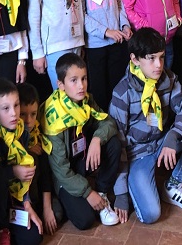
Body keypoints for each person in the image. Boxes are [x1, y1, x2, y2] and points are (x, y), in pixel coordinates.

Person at [110, 27, 182, 224]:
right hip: (138, 153)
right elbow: (117, 142)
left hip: (162, 142)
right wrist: (120, 193)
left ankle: (174, 185)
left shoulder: (168, 79)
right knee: (151, 215)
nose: (158, 65)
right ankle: (141, 183)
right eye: (151, 58)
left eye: (162, 57)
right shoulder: (122, 92)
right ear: (135, 59)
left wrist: (173, 135)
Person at [41, 53, 122, 230]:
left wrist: (97, 139)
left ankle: (102, 191)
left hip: (81, 160)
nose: (81, 86)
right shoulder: (54, 116)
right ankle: (59, 198)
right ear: (61, 85)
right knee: (85, 220)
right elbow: (61, 171)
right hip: (64, 175)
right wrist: (88, 193)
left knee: (113, 143)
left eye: (84, 78)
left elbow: (108, 122)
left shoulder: (86, 100)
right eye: (74, 80)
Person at [0, 78, 43, 245]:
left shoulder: (21, 129)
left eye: (16, 105)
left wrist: (27, 204)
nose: (14, 113)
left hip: (15, 198)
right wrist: (13, 171)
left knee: (34, 238)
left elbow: (24, 162)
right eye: (5, 108)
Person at [17, 83, 59, 236]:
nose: (29, 121)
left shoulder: (38, 133)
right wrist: (27, 150)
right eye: (23, 114)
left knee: (57, 215)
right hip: (19, 199)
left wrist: (47, 209)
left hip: (39, 194)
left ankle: (44, 207)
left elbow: (46, 174)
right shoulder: (9, 137)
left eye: (33, 114)